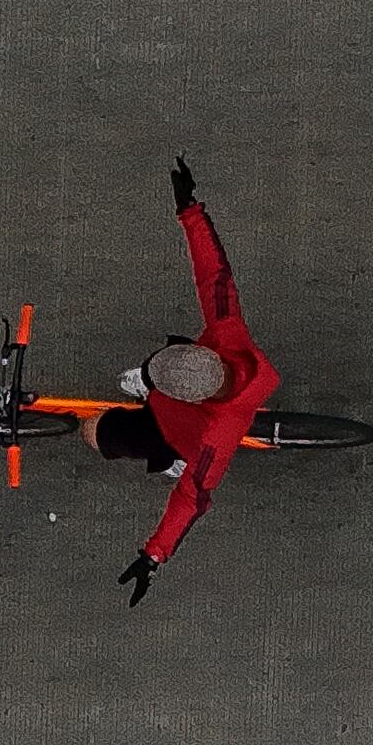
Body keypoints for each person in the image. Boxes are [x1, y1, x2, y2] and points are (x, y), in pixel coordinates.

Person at [113, 158, 279, 602]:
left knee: (95, 432)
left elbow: (192, 499)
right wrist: (190, 210)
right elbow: (213, 275)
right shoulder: (229, 336)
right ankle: (149, 379)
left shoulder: (214, 439)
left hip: (174, 432)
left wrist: (153, 555)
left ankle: (167, 453)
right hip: (181, 402)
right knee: (156, 364)